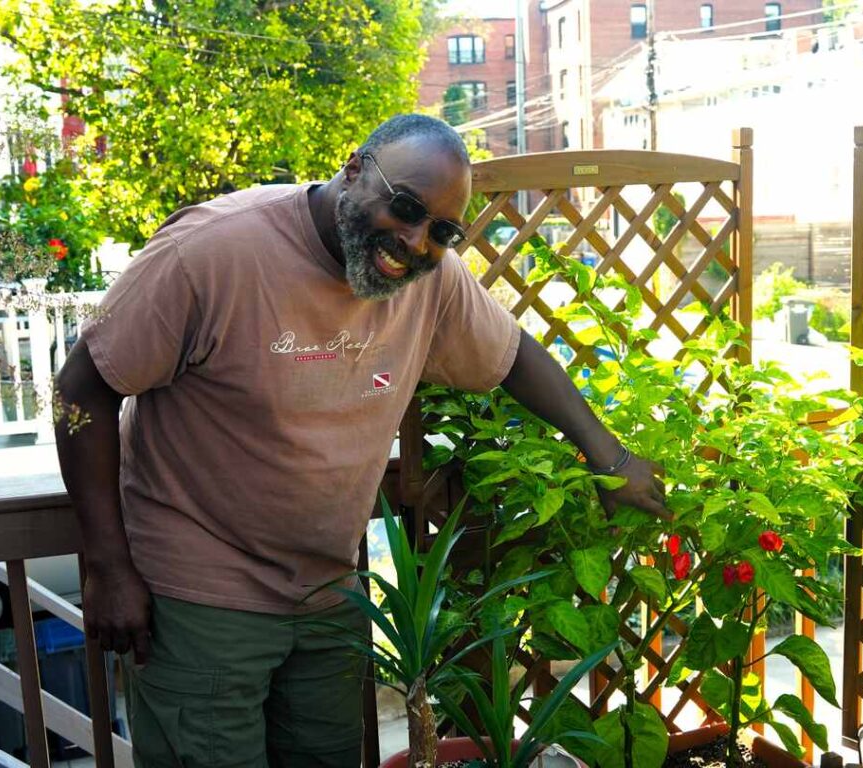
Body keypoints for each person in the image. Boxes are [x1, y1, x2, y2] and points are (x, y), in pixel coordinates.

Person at [55, 114, 668, 768]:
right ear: (353, 168)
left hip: (327, 594)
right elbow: (81, 390)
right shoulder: (213, 252)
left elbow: (515, 357)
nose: (413, 240)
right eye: (403, 207)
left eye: (442, 230)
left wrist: (611, 456)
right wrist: (105, 566)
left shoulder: (433, 279)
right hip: (200, 600)